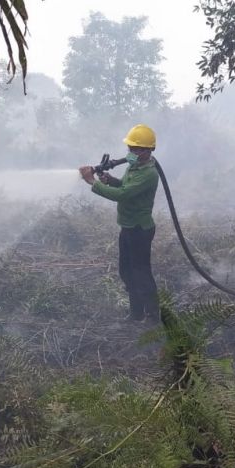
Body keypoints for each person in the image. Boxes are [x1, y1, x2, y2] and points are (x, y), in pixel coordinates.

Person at [79, 124, 161, 323]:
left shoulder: (149, 173)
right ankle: (136, 313)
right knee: (126, 271)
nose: (130, 153)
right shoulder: (135, 166)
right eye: (129, 148)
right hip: (128, 227)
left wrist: (93, 182)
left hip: (140, 230)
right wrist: (110, 180)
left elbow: (123, 195)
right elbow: (124, 186)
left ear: (147, 150)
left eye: (135, 149)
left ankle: (152, 317)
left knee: (141, 273)